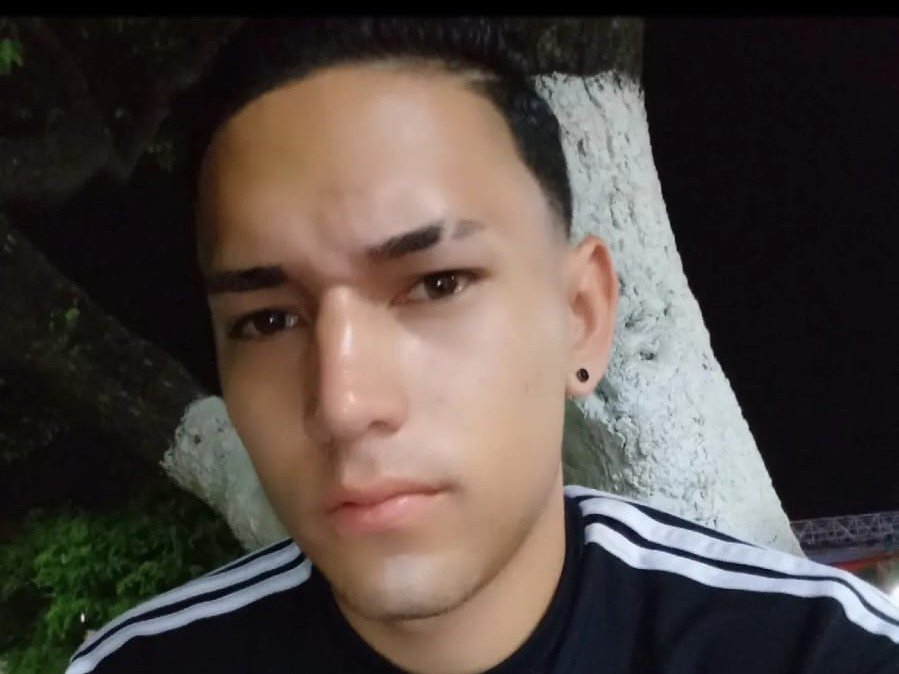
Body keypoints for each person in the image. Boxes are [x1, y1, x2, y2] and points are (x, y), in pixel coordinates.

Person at [66, 18, 899, 674]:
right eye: (267, 321)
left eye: (436, 284)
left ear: (580, 316)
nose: (343, 403)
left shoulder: (816, 652)